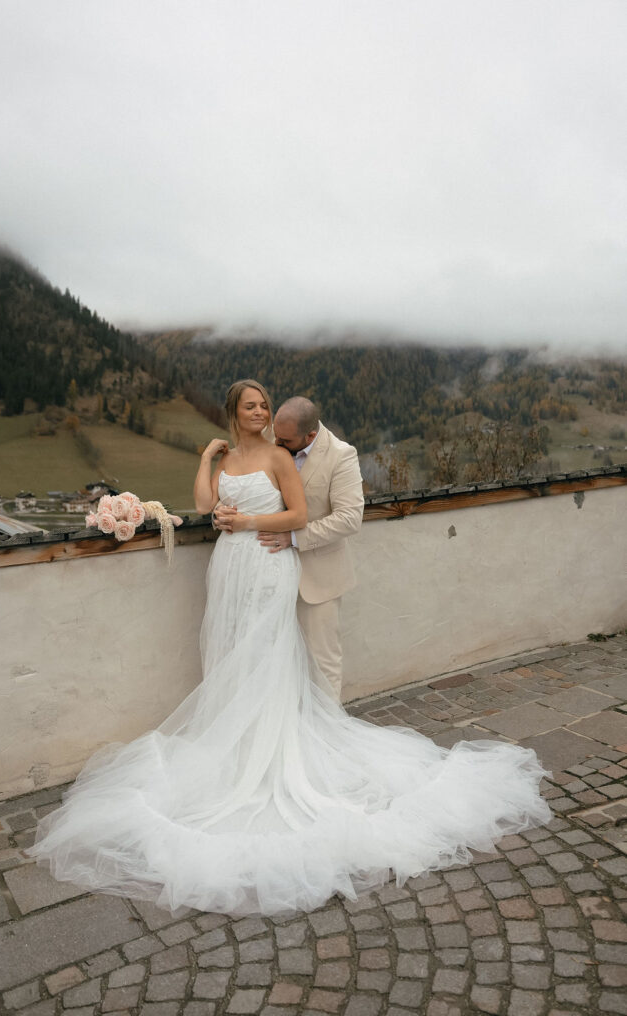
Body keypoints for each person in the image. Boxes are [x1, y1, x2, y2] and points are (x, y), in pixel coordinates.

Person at [28, 378, 551, 917]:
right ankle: (237, 747)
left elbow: (306, 516)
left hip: (276, 563)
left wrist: (250, 521)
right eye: (251, 406)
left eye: (266, 405)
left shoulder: (292, 457)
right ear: (234, 413)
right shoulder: (229, 453)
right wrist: (207, 457)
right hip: (230, 568)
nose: (260, 412)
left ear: (288, 424)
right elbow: (206, 505)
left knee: (286, 659)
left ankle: (294, 750)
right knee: (233, 657)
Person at [214, 397, 363, 700]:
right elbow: (250, 488)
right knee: (267, 656)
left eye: (285, 439)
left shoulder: (341, 455)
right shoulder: (274, 441)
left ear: (310, 436)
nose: (277, 443)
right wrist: (221, 512)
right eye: (275, 435)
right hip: (265, 573)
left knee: (321, 662)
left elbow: (349, 518)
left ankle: (327, 735)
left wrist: (294, 538)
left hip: (317, 577)